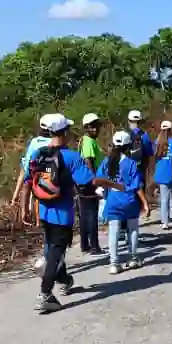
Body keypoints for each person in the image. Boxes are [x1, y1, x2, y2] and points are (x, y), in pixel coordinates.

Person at [23, 114, 123, 313]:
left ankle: (65, 280)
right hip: (63, 215)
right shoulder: (71, 157)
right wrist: (115, 184)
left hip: (44, 211)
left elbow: (28, 182)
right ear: (65, 132)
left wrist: (24, 208)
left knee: (54, 251)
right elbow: (90, 181)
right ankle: (44, 295)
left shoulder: (38, 153)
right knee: (55, 254)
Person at [97, 131, 150, 273]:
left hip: (113, 200)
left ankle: (114, 263)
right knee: (132, 229)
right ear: (128, 146)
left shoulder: (106, 162)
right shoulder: (131, 163)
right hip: (129, 200)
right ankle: (133, 258)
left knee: (113, 232)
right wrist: (144, 203)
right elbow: (136, 185)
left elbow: (98, 180)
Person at [77, 113, 105, 254]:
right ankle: (94, 246)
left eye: (97, 126)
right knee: (91, 214)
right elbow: (89, 162)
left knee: (85, 214)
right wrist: (96, 182)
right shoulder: (88, 141)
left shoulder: (90, 141)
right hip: (90, 182)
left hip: (87, 182)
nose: (96, 129)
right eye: (92, 126)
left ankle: (85, 244)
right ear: (87, 128)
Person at [126, 110, 154, 186]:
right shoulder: (145, 136)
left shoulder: (125, 136)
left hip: (127, 170)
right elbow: (150, 153)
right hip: (140, 170)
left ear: (128, 121)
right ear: (141, 122)